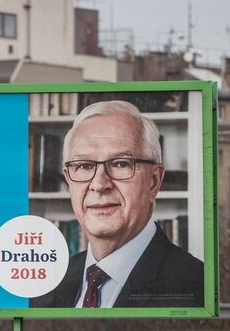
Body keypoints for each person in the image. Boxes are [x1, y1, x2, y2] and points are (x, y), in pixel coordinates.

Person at [30, 100, 203, 308]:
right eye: (84, 166)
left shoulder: (195, 285)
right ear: (68, 179)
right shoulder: (46, 285)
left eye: (121, 164)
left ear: (154, 181)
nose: (99, 184)